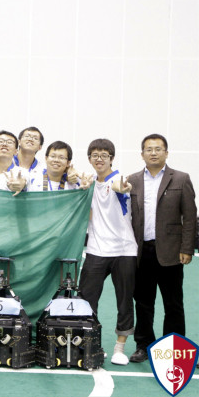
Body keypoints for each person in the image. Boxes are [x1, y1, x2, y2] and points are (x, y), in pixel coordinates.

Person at [126, 134, 197, 363]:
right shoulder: (133, 180)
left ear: (166, 153)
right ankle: (144, 345)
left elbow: (190, 217)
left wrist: (187, 248)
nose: (153, 153)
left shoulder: (181, 179)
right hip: (141, 252)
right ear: (142, 154)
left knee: (173, 304)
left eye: (158, 149)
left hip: (171, 252)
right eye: (149, 149)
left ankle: (174, 348)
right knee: (143, 303)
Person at [79, 138, 137, 366]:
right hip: (96, 249)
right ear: (90, 159)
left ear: (111, 158)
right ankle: (93, 344)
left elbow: (121, 188)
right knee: (86, 299)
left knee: (124, 300)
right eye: (95, 155)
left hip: (124, 250)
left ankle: (120, 348)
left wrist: (123, 189)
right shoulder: (89, 182)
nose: (99, 159)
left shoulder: (119, 180)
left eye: (104, 155)